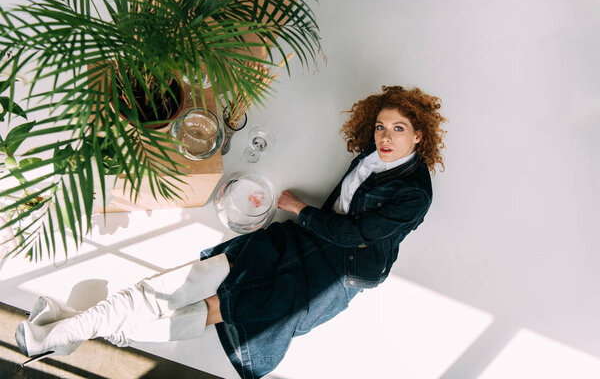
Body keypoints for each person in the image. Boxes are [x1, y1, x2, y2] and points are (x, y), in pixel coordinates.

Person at [14, 85, 447, 378]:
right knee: (181, 284)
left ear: (419, 135)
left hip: (333, 274)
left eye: (398, 129)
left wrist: (298, 208)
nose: (385, 136)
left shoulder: (414, 193)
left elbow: (355, 236)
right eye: (381, 126)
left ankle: (60, 333)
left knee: (216, 307)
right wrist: (302, 219)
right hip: (305, 243)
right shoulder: (374, 156)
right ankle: (63, 333)